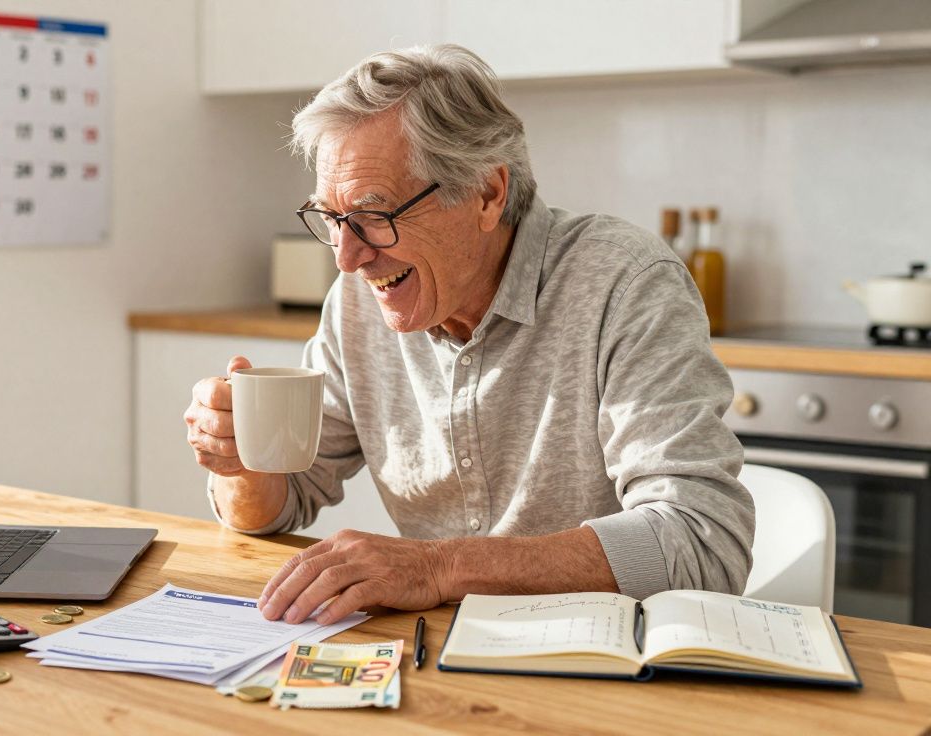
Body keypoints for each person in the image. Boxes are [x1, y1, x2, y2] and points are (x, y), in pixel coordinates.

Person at [183, 45, 753, 627]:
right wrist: (241, 464)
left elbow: (700, 542)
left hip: (607, 661)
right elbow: (281, 504)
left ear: (487, 194)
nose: (347, 258)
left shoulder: (625, 285)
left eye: (374, 215)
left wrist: (437, 568)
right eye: (331, 218)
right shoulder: (357, 302)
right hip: (436, 656)